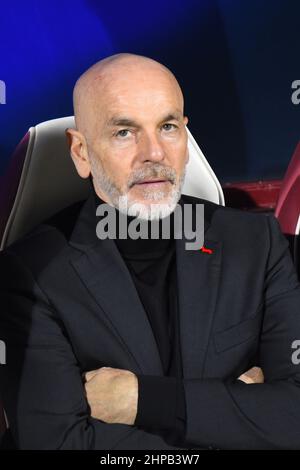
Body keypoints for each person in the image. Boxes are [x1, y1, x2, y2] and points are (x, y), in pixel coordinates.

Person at [0, 53, 300, 450]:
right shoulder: (30, 273)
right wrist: (235, 411)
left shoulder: (256, 243)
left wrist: (141, 401)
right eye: (125, 132)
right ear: (81, 153)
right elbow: (60, 443)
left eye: (168, 127)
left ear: (186, 139)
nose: (154, 153)